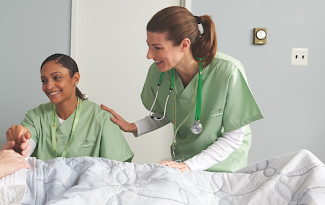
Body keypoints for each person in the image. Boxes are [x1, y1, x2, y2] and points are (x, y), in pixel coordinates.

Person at [101, 6, 264, 173]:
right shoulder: (158, 72)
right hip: (184, 163)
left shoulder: (228, 71)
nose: (149, 55)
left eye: (157, 47)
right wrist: (133, 127)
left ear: (184, 45)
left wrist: (190, 166)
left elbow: (233, 137)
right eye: (148, 46)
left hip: (224, 165)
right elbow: (166, 113)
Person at [6, 53, 134, 162]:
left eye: (56, 78)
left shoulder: (102, 118)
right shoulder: (35, 116)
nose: (49, 86)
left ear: (75, 78)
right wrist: (20, 141)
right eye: (44, 80)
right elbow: (27, 144)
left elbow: (118, 169)